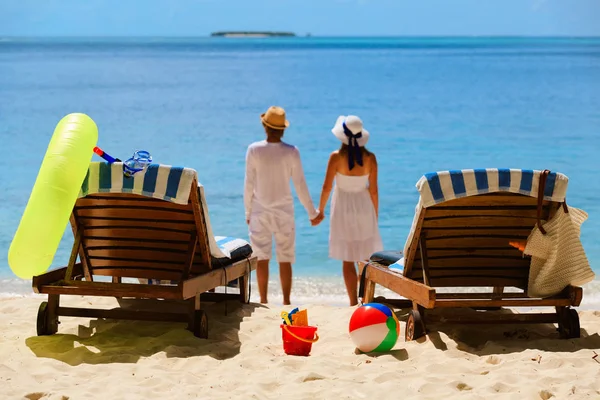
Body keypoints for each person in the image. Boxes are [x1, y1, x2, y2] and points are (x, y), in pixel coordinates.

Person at [244, 106, 321, 305]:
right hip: (284, 212)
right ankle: (286, 301)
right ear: (283, 130)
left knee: (261, 257)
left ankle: (263, 299)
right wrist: (313, 214)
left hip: (260, 211)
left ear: (264, 126)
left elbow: (248, 184)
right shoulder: (291, 152)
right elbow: (300, 185)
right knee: (285, 258)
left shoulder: (254, 150)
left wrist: (248, 211)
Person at [314, 115, 383, 306]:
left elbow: (326, 187)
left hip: (343, 207)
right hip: (364, 207)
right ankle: (365, 298)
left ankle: (353, 302)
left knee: (347, 258)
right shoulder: (370, 158)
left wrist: (320, 210)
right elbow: (374, 191)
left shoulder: (336, 157)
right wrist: (374, 215)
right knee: (365, 257)